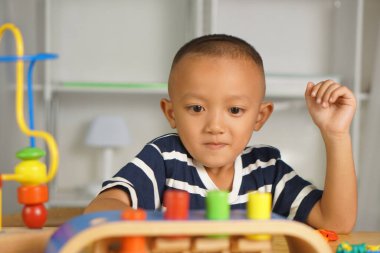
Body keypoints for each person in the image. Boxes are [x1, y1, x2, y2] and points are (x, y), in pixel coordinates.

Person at [85, 34, 357, 233]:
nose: (215, 125)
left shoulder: (267, 171)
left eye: (235, 110)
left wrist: (336, 134)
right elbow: (103, 205)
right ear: (171, 114)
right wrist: (139, 225)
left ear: (260, 117)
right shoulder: (164, 158)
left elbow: (337, 222)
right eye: (196, 108)